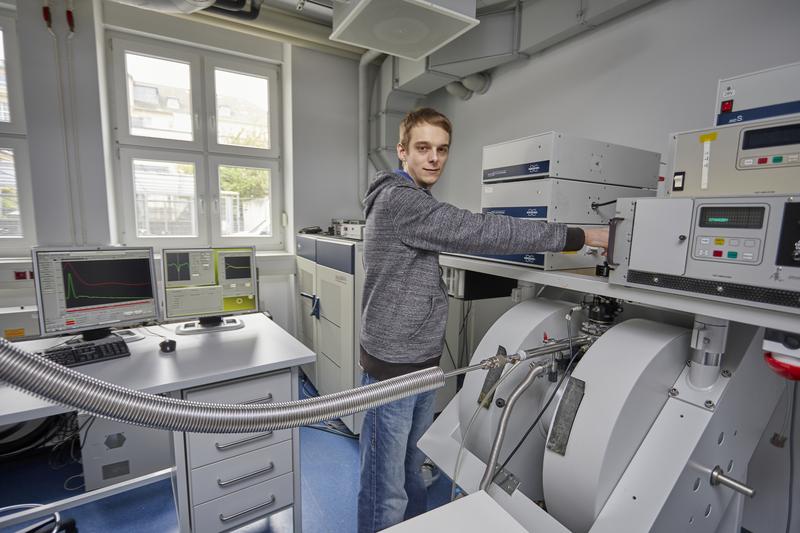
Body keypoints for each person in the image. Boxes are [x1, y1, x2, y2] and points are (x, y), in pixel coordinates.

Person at [357, 108, 608, 533]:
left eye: (441, 150)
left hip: (417, 362)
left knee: (412, 468)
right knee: (386, 488)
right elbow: (481, 230)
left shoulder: (415, 199)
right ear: (401, 151)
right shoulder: (402, 200)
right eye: (422, 148)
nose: (434, 158)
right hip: (394, 370)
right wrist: (578, 237)